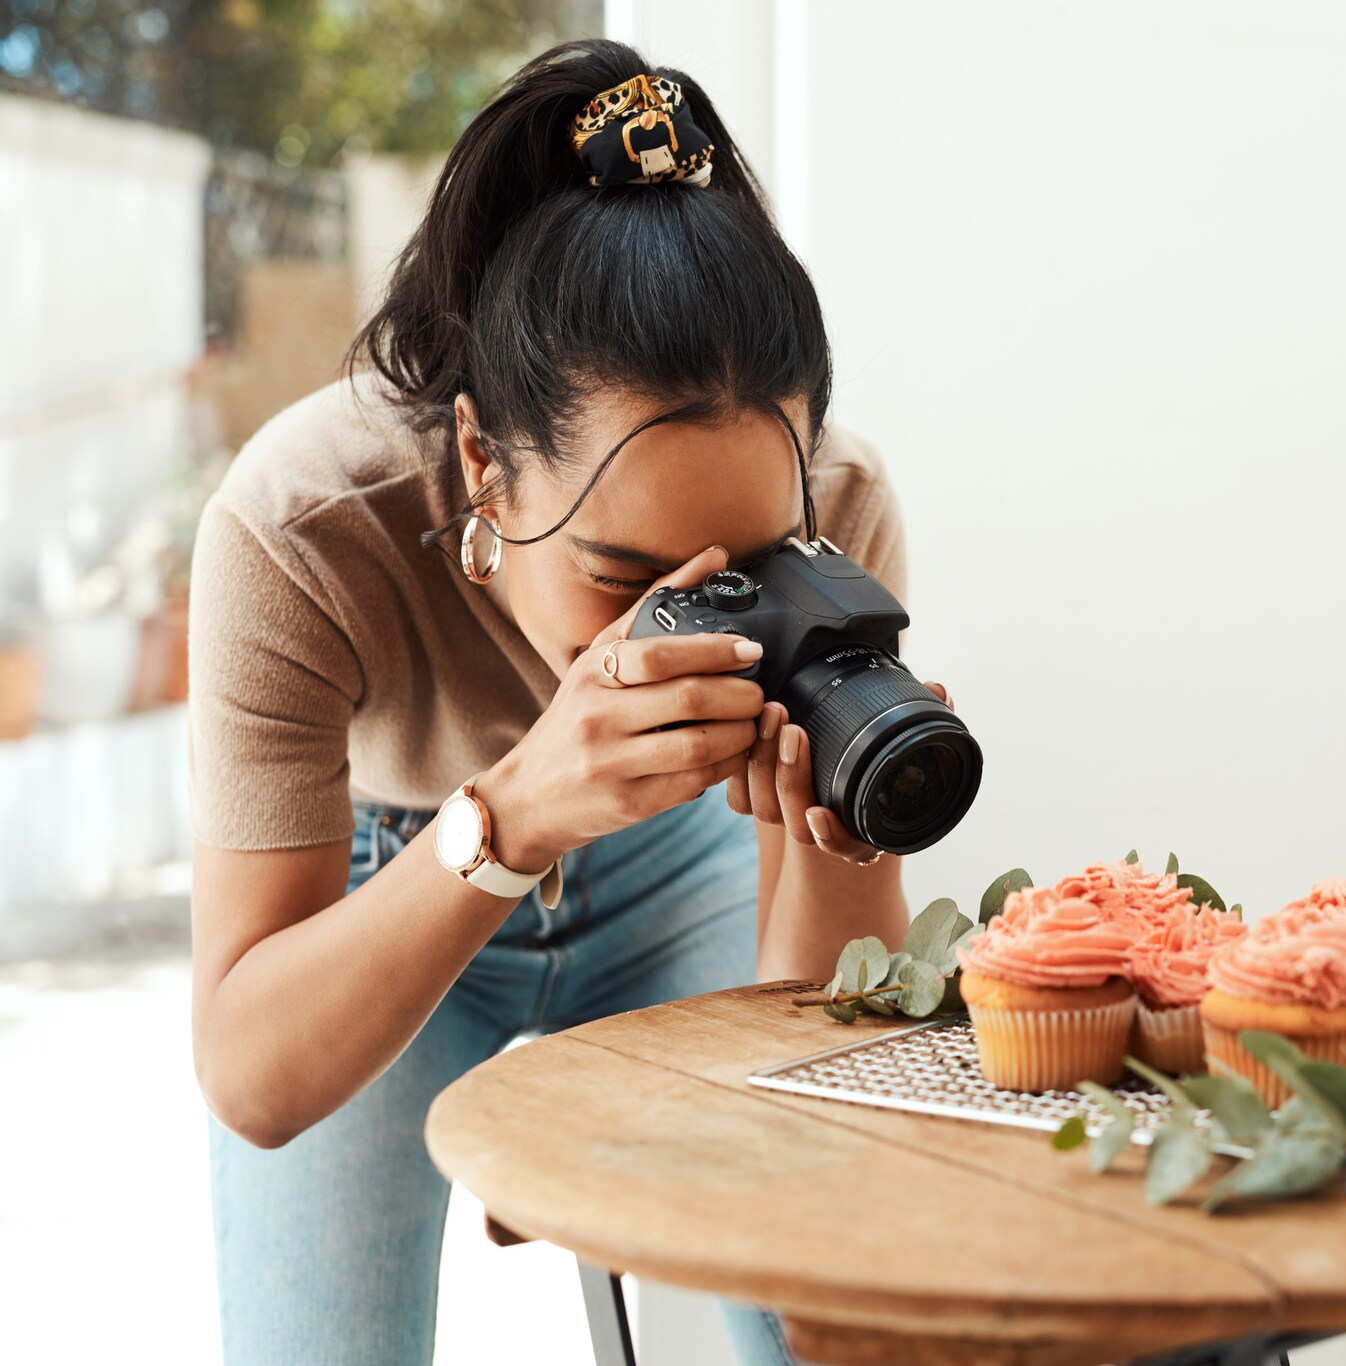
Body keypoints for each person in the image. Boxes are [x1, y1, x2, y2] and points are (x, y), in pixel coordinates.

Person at [186, 38, 941, 1366]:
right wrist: (520, 807)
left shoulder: (843, 507)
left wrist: (836, 831)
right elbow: (256, 1076)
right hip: (398, 862)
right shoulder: (304, 523)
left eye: (742, 577)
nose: (667, 631)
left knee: (835, 1302)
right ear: (483, 457)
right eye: (626, 574)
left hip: (681, 858)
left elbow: (826, 1083)